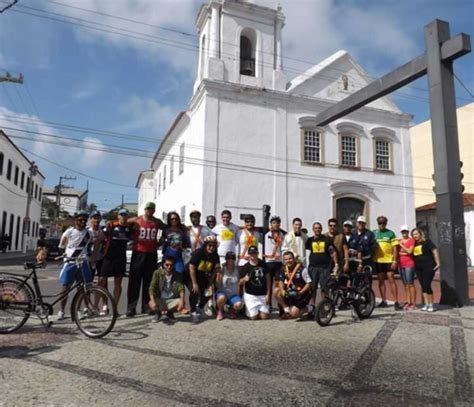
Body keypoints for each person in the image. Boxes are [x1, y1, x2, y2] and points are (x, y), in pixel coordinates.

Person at [126, 201, 166, 317]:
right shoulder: (137, 220)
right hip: (138, 253)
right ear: (145, 209)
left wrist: (160, 242)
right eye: (148, 208)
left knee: (149, 281)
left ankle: (147, 306)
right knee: (134, 281)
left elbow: (165, 229)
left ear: (154, 210)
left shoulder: (156, 222)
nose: (149, 210)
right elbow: (125, 222)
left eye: (151, 209)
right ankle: (131, 307)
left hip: (151, 254)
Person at [56, 211, 97, 320]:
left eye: (84, 220)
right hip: (70, 263)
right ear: (75, 220)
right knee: (65, 288)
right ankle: (61, 310)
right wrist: (64, 255)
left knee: (82, 288)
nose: (82, 222)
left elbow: (90, 247)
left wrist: (91, 258)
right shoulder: (68, 232)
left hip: (83, 263)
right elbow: (61, 246)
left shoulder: (89, 234)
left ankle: (78, 310)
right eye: (80, 219)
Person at [99, 208, 133, 307]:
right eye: (121, 215)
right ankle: (102, 305)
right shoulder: (111, 226)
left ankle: (115, 307)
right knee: (101, 281)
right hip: (109, 257)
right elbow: (100, 238)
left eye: (125, 215)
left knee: (118, 283)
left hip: (121, 259)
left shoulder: (129, 228)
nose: (123, 217)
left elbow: (136, 220)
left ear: (127, 217)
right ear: (118, 216)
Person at [306, 222, 338, 315]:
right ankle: (312, 308)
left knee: (325, 288)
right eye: (315, 228)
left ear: (321, 229)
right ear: (313, 229)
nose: (317, 230)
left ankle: (326, 307)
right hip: (313, 267)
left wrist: (336, 264)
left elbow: (333, 252)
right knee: (312, 289)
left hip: (324, 268)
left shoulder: (327, 240)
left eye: (319, 228)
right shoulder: (309, 240)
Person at [188, 235, 221, 322]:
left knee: (209, 291)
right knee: (194, 290)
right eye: (209, 245)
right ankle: (193, 311)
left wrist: (210, 284)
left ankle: (200, 308)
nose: (211, 247)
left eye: (214, 246)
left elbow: (215, 270)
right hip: (190, 275)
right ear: (205, 245)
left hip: (203, 276)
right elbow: (191, 267)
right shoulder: (199, 252)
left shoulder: (215, 256)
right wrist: (194, 283)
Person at [373, 216, 401, 310]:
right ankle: (383, 300)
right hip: (378, 261)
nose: (381, 225)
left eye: (383, 223)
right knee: (381, 281)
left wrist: (394, 260)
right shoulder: (374, 233)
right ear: (377, 223)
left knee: (391, 280)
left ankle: (396, 302)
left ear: (386, 223)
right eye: (380, 223)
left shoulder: (390, 233)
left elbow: (395, 248)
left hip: (389, 261)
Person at [274, 251, 312, 319]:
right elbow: (281, 281)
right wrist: (282, 290)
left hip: (302, 294)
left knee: (294, 314)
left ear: (294, 259)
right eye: (286, 259)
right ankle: (286, 310)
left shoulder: (302, 269)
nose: (288, 261)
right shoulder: (284, 268)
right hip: (291, 292)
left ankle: (311, 308)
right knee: (276, 291)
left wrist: (301, 293)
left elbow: (309, 283)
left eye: (290, 259)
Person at [148, 256, 185, 323]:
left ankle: (169, 313)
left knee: (182, 302)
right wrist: (152, 300)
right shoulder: (157, 273)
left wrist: (182, 300)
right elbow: (152, 287)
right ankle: (158, 313)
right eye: (167, 265)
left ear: (174, 265)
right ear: (163, 264)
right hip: (160, 299)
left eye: (171, 265)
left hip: (171, 299)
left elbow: (181, 288)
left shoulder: (177, 275)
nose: (169, 267)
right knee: (151, 303)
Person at [412, 228, 440, 312]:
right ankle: (426, 304)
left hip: (428, 266)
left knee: (427, 284)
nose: (415, 236)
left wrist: (438, 263)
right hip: (418, 267)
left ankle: (431, 305)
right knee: (423, 286)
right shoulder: (414, 244)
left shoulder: (427, 242)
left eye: (416, 234)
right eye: (413, 234)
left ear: (420, 234)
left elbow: (434, 251)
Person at [239, 245, 271, 320]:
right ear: (249, 254)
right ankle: (245, 308)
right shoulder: (245, 267)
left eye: (254, 253)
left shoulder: (263, 264)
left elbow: (268, 280)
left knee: (264, 317)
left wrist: (268, 295)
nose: (253, 255)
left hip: (262, 295)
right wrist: (244, 279)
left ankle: (259, 309)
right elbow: (239, 282)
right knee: (253, 317)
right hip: (251, 296)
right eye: (251, 253)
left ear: (257, 253)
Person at [263, 216, 286, 307]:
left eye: (277, 223)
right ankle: (268, 304)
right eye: (273, 223)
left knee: (278, 284)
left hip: (278, 262)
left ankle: (280, 305)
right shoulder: (265, 234)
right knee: (268, 285)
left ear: (280, 224)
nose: (275, 224)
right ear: (271, 224)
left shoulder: (283, 235)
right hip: (268, 262)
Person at [160, 211, 190, 278]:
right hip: (168, 254)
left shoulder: (182, 229)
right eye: (172, 219)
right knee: (167, 275)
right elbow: (161, 241)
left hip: (179, 255)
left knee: (179, 273)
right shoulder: (166, 230)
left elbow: (187, 242)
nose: (174, 220)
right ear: (169, 220)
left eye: (176, 219)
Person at [215, 251, 243, 320]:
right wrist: (218, 275)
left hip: (233, 295)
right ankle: (220, 311)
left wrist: (240, 295)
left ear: (235, 259)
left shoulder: (238, 269)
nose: (231, 260)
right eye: (229, 258)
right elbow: (218, 285)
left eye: (232, 258)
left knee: (239, 305)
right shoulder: (222, 269)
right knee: (222, 298)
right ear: (226, 259)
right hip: (223, 294)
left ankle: (232, 309)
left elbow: (240, 283)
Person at [354, 216, 377, 287]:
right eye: (359, 223)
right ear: (357, 223)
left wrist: (370, 255)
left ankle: (368, 296)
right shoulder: (353, 233)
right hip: (355, 261)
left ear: (365, 224)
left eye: (362, 223)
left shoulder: (370, 234)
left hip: (367, 260)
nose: (361, 224)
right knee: (356, 280)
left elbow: (374, 247)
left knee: (367, 280)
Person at [398, 225, 417, 310]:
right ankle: (408, 301)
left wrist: (402, 246)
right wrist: (403, 252)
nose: (404, 233)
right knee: (405, 285)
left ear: (408, 232)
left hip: (409, 264)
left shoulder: (411, 240)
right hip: (401, 265)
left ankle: (413, 302)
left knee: (410, 284)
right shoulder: (399, 240)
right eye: (402, 231)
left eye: (405, 231)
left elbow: (410, 251)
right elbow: (398, 252)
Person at [88, 210, 105, 280]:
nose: (96, 220)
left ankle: (100, 291)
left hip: (101, 258)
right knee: (88, 280)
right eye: (94, 218)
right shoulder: (87, 231)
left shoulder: (103, 231)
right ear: (90, 219)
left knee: (102, 280)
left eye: (98, 218)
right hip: (89, 259)